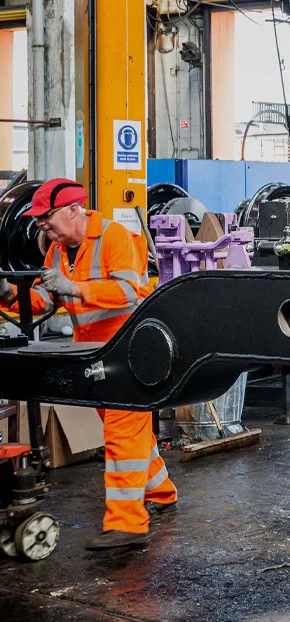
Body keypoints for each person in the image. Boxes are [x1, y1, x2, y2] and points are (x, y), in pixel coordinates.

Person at [0, 179, 174, 550]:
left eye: (46, 217)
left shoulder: (114, 236)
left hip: (129, 350)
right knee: (129, 430)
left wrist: (75, 288)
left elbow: (129, 290)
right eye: (38, 219)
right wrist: (11, 294)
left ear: (73, 210)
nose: (41, 225)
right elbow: (47, 300)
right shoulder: (56, 251)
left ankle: (128, 524)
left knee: (122, 432)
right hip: (95, 355)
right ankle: (160, 491)